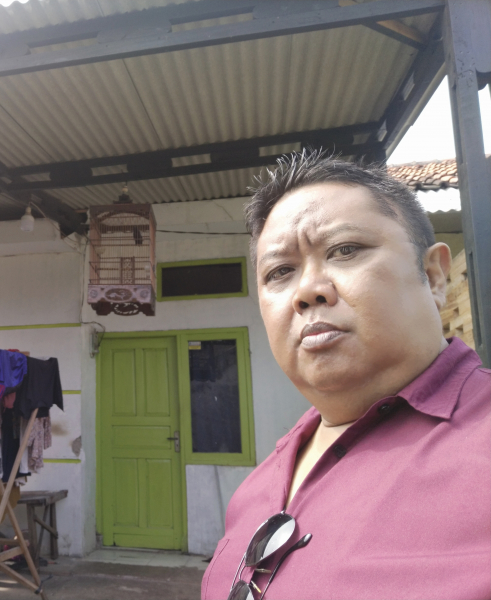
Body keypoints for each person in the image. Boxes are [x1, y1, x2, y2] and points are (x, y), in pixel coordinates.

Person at [201, 151, 490, 600]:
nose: (307, 291)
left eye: (345, 250)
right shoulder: (257, 487)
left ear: (433, 276)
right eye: (280, 272)